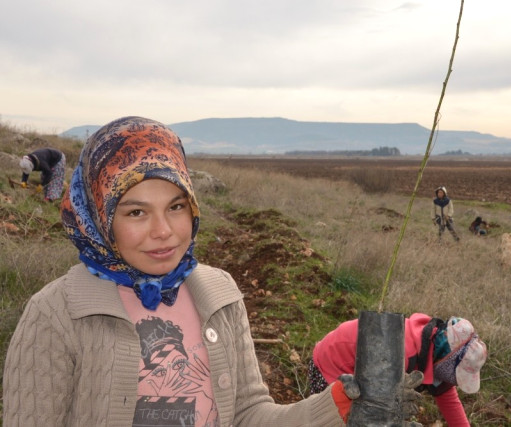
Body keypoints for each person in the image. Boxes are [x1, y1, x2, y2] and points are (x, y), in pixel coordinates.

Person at [3, 117, 356, 426]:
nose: (164, 231)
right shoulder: (55, 313)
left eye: (176, 206)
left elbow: (249, 416)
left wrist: (337, 405)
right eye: (136, 212)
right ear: (98, 216)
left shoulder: (219, 294)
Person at [309, 313, 488, 427]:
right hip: (333, 365)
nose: (452, 380)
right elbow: (376, 410)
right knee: (337, 418)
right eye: (454, 374)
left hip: (366, 370)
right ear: (445, 360)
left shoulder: (433, 349)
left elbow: (449, 400)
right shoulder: (402, 356)